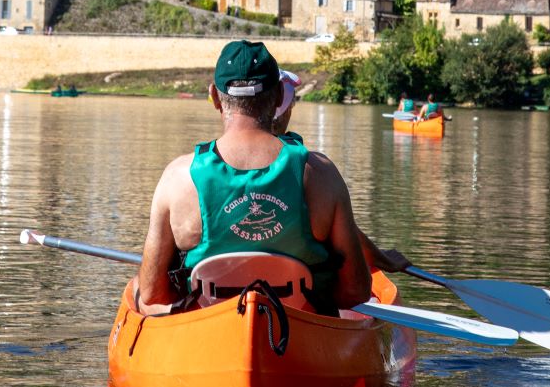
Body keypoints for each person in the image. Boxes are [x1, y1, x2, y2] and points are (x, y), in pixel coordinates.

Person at [137, 41, 407, 315]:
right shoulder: (321, 173)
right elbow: (355, 291)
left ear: (215, 98)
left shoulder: (178, 178)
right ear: (279, 96)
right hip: (301, 331)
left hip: (208, 332)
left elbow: (152, 292)